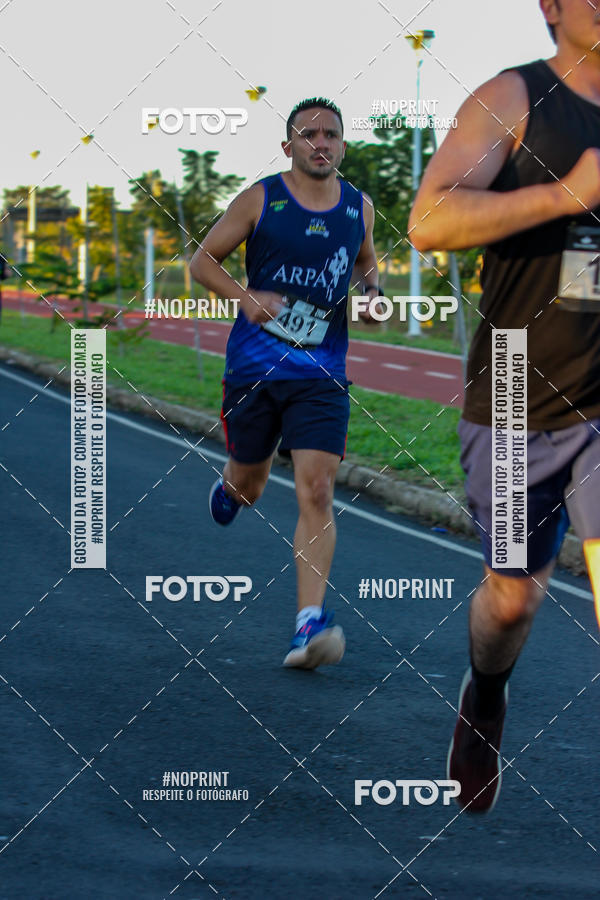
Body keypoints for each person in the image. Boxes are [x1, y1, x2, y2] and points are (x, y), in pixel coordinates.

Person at [409, 0, 600, 812]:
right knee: (514, 595)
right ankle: (485, 697)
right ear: (551, 7)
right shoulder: (512, 97)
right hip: (520, 389)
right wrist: (567, 196)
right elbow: (429, 218)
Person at [190, 97, 381, 669]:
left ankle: (308, 626)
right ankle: (231, 489)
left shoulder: (359, 207)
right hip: (254, 370)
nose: (320, 143)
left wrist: (372, 296)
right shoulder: (261, 198)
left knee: (317, 489)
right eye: (309, 134)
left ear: (343, 146)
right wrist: (247, 300)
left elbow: (367, 262)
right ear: (289, 146)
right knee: (250, 485)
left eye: (331, 134)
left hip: (322, 373)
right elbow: (203, 263)